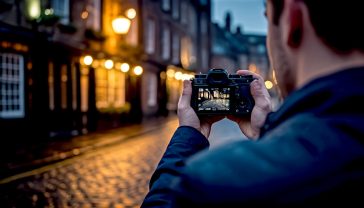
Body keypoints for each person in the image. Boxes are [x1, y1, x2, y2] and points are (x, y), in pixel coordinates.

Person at [142, 0, 364, 207]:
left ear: (292, 20)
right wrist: (268, 133)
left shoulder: (217, 184)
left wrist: (188, 135)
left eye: (268, 19)